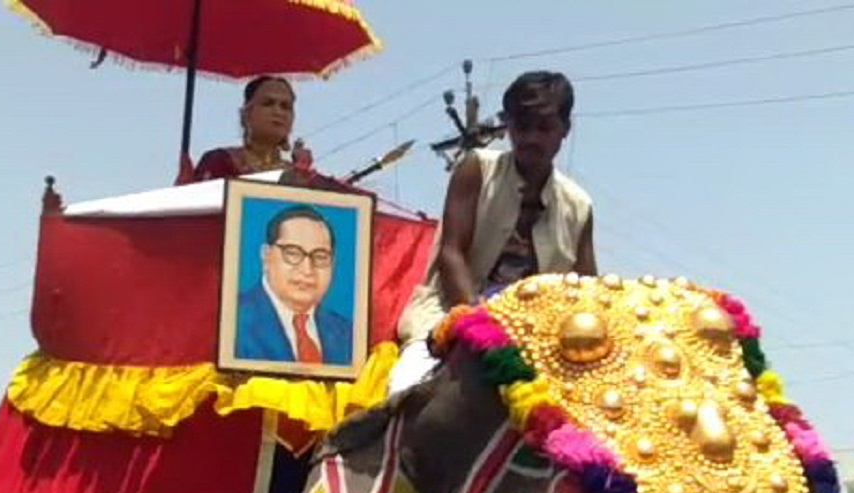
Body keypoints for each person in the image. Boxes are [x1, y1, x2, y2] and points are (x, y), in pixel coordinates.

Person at [389, 71, 597, 394]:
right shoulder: (476, 168)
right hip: (449, 316)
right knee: (405, 390)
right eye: (522, 127)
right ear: (508, 127)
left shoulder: (579, 207)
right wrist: (479, 326)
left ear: (564, 130)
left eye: (543, 128)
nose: (531, 138)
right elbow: (451, 253)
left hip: (538, 340)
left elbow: (587, 294)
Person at [235, 206, 352, 365]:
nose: (307, 270)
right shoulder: (232, 320)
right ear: (266, 256)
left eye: (320, 256)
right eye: (293, 253)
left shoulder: (347, 333)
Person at [191, 75, 313, 182]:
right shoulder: (220, 161)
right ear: (246, 114)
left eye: (285, 106)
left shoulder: (299, 174)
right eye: (268, 103)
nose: (278, 111)